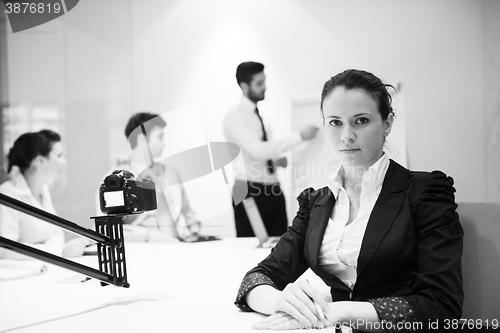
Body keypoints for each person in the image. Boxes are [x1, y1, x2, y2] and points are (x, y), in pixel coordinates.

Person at [234, 69, 463, 332]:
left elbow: (442, 305)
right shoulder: (316, 203)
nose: (346, 136)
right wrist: (282, 302)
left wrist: (339, 312)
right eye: (335, 122)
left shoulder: (425, 192)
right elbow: (255, 279)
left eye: (361, 120)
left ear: (387, 124)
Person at [223, 61, 319, 237]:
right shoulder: (233, 118)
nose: (265, 87)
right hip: (247, 189)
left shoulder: (263, 116)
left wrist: (275, 161)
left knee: (280, 246)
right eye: (259, 83)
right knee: (250, 247)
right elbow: (258, 150)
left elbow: (263, 154)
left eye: (264, 81)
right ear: (244, 86)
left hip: (273, 188)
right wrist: (300, 136)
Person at [97, 112, 201, 242]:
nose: (164, 143)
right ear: (142, 139)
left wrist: (194, 229)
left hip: (182, 245)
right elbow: (107, 229)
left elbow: (188, 213)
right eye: (160, 137)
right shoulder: (114, 181)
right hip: (144, 251)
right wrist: (147, 236)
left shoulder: (171, 173)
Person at [0, 130, 89, 259]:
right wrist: (57, 251)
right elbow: (6, 251)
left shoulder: (44, 191)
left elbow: (57, 233)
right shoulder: (7, 194)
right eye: (59, 156)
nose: (63, 162)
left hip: (45, 268)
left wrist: (51, 250)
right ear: (40, 161)